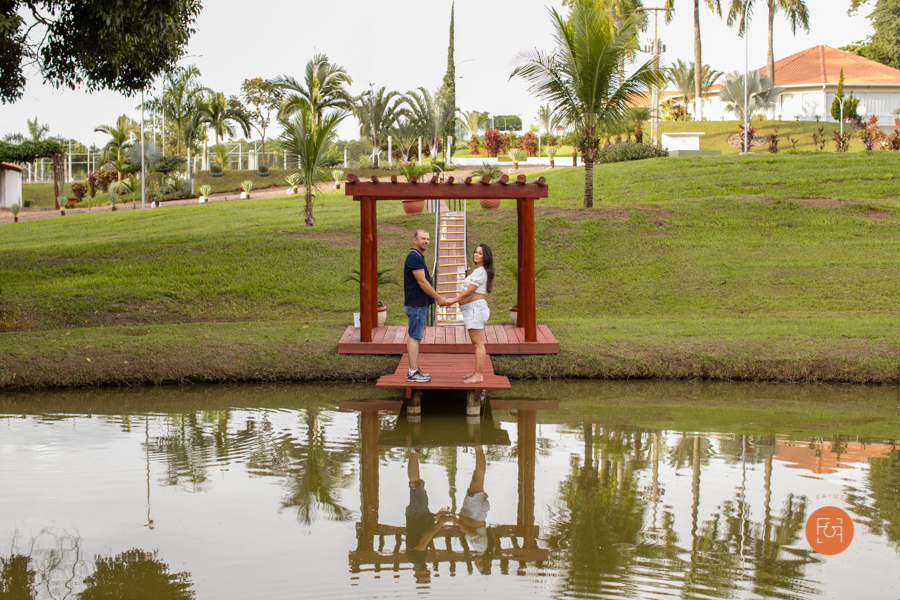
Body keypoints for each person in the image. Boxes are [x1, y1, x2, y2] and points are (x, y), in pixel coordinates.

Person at [404, 229, 448, 383]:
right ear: (415, 240)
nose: (426, 241)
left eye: (428, 239)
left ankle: (414, 370)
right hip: (416, 304)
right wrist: (438, 298)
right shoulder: (414, 257)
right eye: (423, 238)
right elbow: (422, 282)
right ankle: (412, 372)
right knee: (415, 337)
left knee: (414, 336)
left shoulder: (417, 256)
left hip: (417, 303)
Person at [446, 244, 494, 384]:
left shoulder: (481, 272)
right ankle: (476, 372)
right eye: (475, 252)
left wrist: (453, 301)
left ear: (486, 257)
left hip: (475, 310)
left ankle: (478, 375)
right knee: (476, 343)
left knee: (478, 344)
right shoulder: (478, 271)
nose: (476, 254)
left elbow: (469, 292)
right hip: (472, 310)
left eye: (480, 253)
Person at [405, 446, 453, 584]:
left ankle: (414, 451)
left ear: (416, 574)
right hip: (419, 516)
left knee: (415, 484)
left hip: (417, 515)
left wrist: (439, 524)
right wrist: (436, 517)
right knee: (416, 485)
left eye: (423, 575)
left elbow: (424, 540)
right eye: (427, 576)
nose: (426, 573)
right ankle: (414, 452)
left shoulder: (417, 559)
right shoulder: (418, 559)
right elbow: (421, 532)